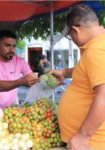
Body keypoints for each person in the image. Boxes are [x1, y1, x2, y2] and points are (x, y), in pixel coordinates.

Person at [50, 4, 105, 150]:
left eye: (70, 35)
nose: (72, 39)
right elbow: (89, 71)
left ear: (75, 30)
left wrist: (83, 135)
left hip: (91, 144)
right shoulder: (99, 46)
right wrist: (64, 73)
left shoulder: (96, 51)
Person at [0, 30, 39, 108]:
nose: (11, 50)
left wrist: (51, 77)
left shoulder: (19, 61)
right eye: (7, 45)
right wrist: (21, 81)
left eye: (14, 46)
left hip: (11, 111)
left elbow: (34, 79)